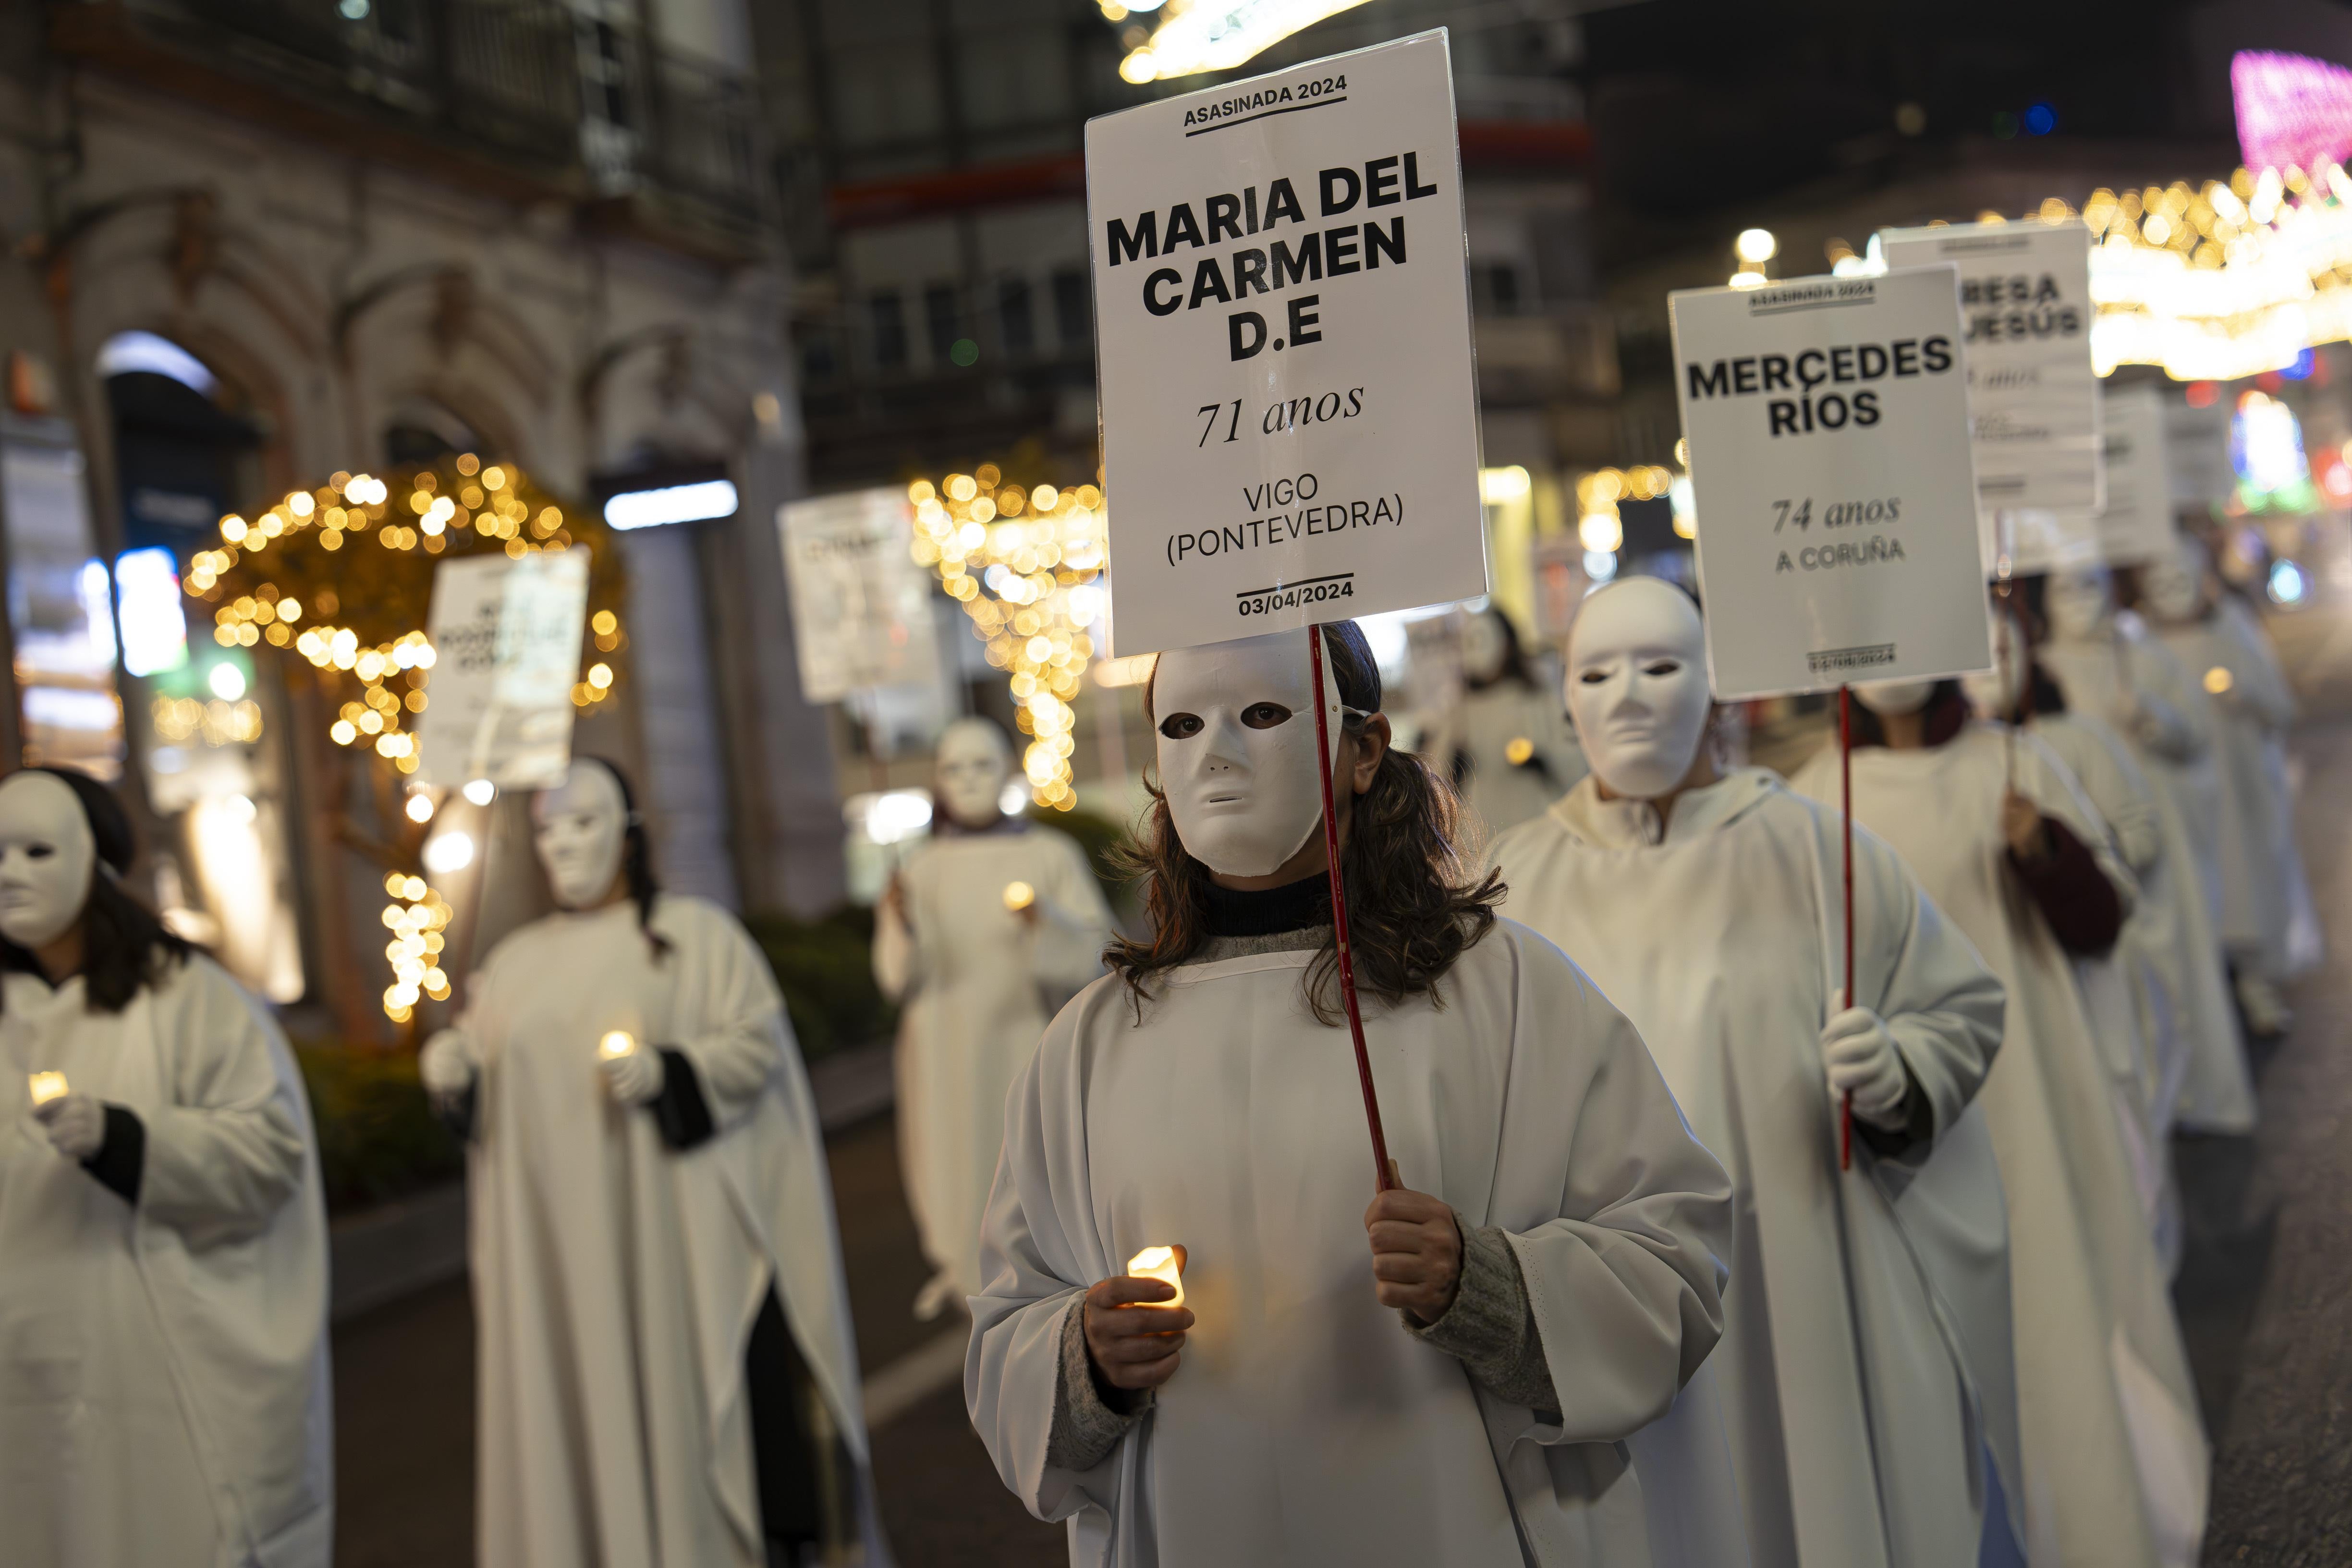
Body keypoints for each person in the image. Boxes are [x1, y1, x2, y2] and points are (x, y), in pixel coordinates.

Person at [967, 623, 1744, 1568]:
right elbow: (1008, 1323)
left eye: (1261, 714)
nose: (1215, 753)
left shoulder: (1503, 992)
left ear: (1364, 750)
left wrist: (1488, 1285)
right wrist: (1084, 1359)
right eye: (1181, 724)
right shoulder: (1089, 1045)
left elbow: (1675, 1250)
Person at [1488, 578, 2020, 1568]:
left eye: (1660, 666)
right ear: (1565, 698)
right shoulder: (1512, 889)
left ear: (1718, 691)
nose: (1631, 698)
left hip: (1798, 1279)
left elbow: (1960, 1005)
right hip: (1614, 1307)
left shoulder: (1818, 850)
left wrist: (1897, 1072)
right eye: (1597, 673)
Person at [422, 758, 884, 1568]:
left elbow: (756, 1049)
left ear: (629, 833)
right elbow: (490, 1096)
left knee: (687, 1415)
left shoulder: (696, 940)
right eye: (548, 828)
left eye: (585, 822)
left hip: (671, 1249)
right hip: (560, 1267)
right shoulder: (513, 967)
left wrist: (675, 1071)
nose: (564, 843)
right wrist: (457, 1072)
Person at [1789, 682, 2208, 1568]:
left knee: (2053, 1302)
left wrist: (2043, 851)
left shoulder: (2008, 766)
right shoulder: (1813, 793)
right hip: (1896, 1117)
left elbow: (2104, 923)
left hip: (2028, 1087)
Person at [0, 766, 333, 1568]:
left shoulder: (189, 1000)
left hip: (149, 1383)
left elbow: (269, 1151)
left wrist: (130, 1141)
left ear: (97, 863)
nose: (9, 873)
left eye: (36, 849)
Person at [1962, 605, 2221, 1271]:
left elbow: (2129, 841)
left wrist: (2060, 859)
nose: (1988, 667)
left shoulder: (2066, 743)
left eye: (1999, 647)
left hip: (2090, 985)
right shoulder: (1944, 775)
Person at [873, 717, 1113, 1316]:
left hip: (1020, 1035)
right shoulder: (921, 870)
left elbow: (1090, 948)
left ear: (1008, 768)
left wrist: (1046, 924)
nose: (969, 780)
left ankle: (1039, 1272)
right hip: (943, 1044)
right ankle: (959, 1265)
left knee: (1025, 1147)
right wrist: (901, 923)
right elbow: (897, 975)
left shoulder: (1047, 853)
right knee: (953, 1152)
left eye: (981, 764)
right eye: (954, 768)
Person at [2034, 562, 2256, 1130]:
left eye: (2090, 583)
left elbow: (2196, 736)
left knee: (2177, 970)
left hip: (2163, 847)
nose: (2081, 598)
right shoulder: (2039, 674)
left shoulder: (2144, 657)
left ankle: (2196, 1097)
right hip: (2084, 851)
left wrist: (2154, 719)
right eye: (2066, 587)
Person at [2133, 537, 2315, 1039]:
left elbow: (2279, 707)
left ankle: (2256, 984)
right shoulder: (2137, 646)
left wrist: (2243, 694)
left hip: (2238, 790)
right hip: (2176, 792)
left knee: (2244, 879)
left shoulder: (2231, 630)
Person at [1439, 605, 1587, 835]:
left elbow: (1575, 768)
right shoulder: (1460, 714)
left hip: (1534, 825)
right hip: (1480, 833)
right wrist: (1454, 767)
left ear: (1507, 645)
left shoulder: (1538, 703)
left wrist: (1543, 762)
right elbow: (1437, 775)